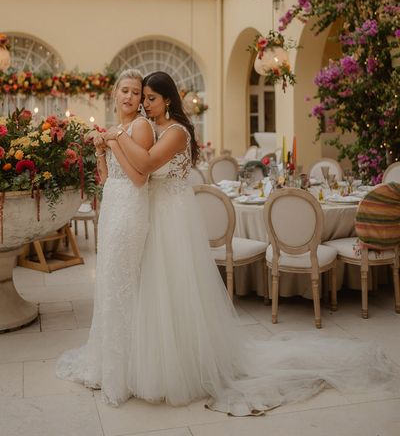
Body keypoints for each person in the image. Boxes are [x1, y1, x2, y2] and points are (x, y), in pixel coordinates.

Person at [102, 70, 400, 416]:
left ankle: (185, 366)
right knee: (155, 291)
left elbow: (148, 165)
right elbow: (138, 172)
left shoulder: (177, 132)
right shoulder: (150, 129)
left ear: (167, 99)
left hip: (173, 221)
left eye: (150, 98)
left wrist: (115, 136)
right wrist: (116, 140)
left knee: (176, 290)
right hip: (155, 217)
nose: (144, 104)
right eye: (143, 98)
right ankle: (151, 360)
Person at [56, 69, 155, 406]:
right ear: (115, 94)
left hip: (131, 209)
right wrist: (102, 149)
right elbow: (107, 177)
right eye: (125, 91)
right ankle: (108, 360)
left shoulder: (140, 127)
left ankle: (126, 370)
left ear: (141, 99)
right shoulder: (118, 128)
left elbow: (140, 178)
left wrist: (114, 139)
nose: (129, 97)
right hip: (113, 206)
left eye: (136, 93)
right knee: (110, 282)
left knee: (123, 281)